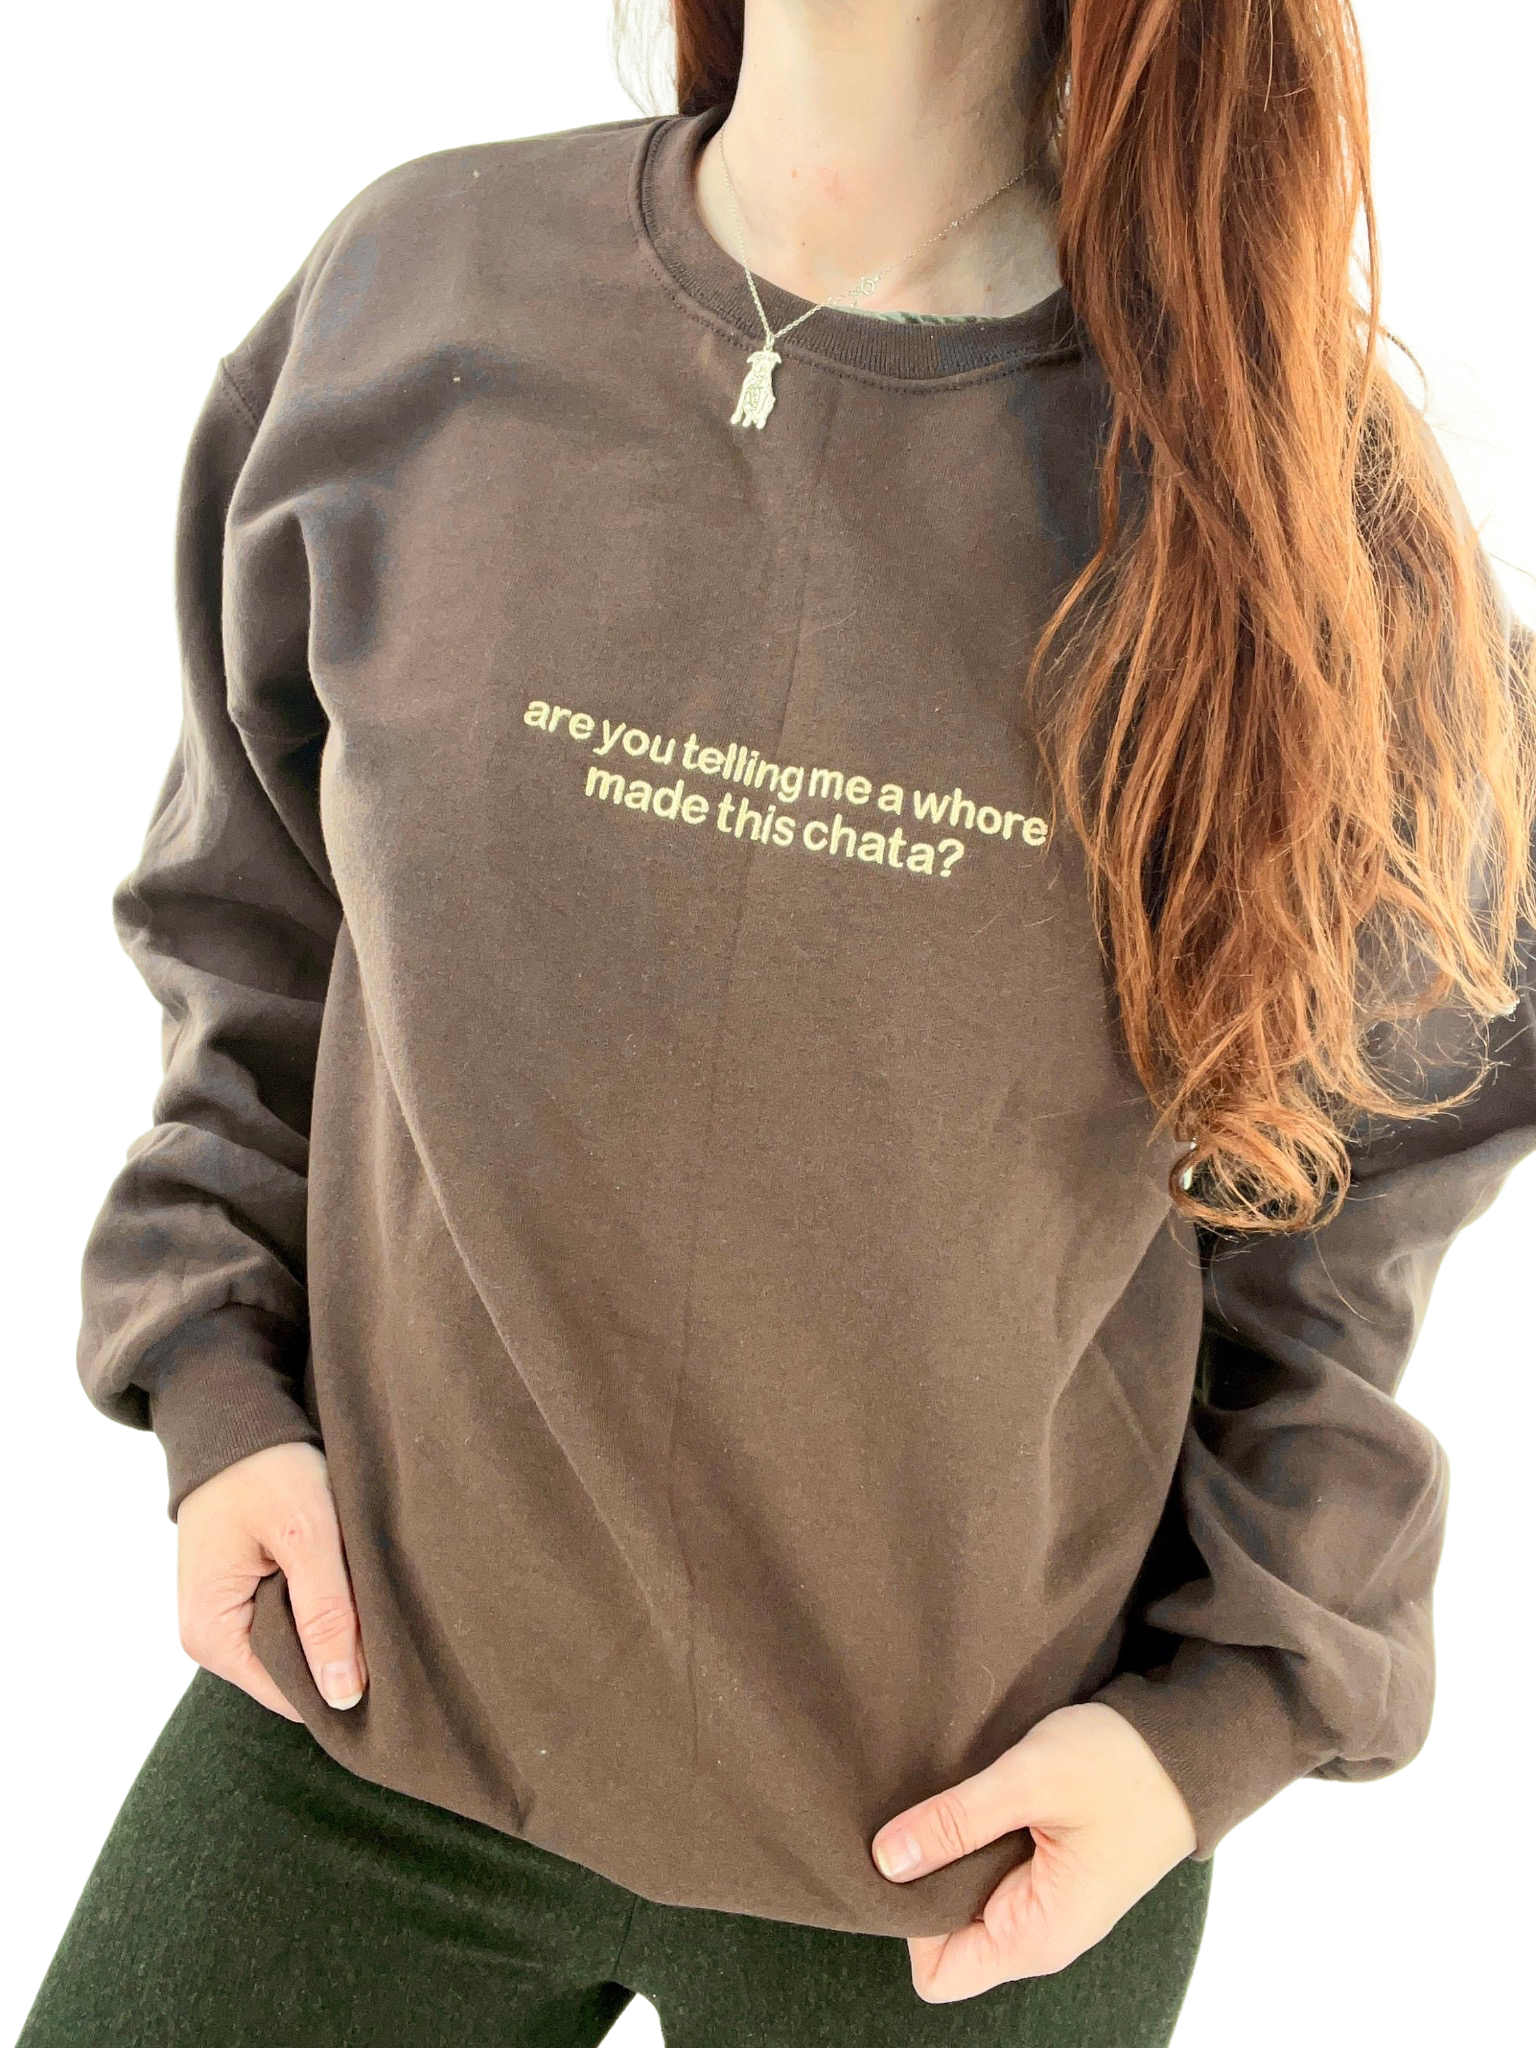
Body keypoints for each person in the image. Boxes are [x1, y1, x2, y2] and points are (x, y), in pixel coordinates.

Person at [19, 1, 1536, 2043]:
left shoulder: (1299, 493)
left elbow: (1375, 1161)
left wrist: (1221, 1717)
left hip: (967, 1869)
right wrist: (218, 1388)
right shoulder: (416, 294)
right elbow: (252, 925)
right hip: (359, 1718)